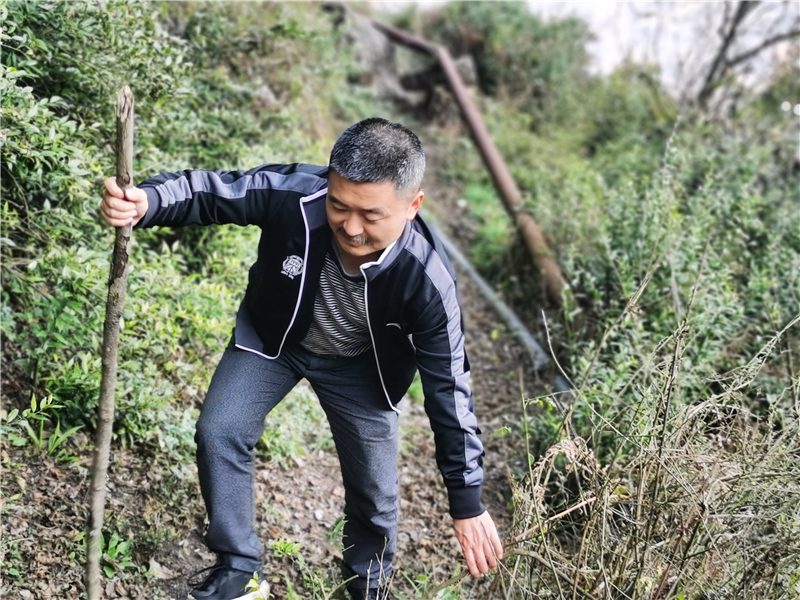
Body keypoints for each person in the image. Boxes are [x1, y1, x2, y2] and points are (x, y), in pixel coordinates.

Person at [100, 118, 503, 600]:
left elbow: (449, 389)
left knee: (375, 495)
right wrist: (147, 201)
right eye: (340, 205)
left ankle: (366, 587)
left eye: (371, 215)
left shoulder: (427, 280)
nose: (351, 227)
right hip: (276, 342)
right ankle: (239, 569)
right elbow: (219, 191)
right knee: (220, 431)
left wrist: (466, 500)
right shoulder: (296, 195)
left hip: (361, 372)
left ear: (412, 206)